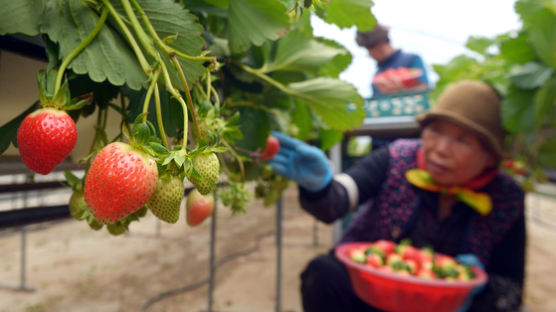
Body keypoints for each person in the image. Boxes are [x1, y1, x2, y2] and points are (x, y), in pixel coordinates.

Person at [269, 80, 525, 312]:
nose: (441, 149)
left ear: (490, 156)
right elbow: (339, 198)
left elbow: (511, 288)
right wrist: (320, 188)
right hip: (368, 296)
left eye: (463, 140)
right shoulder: (398, 157)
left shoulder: (506, 198)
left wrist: (483, 292)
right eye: (435, 130)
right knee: (323, 274)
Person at [356, 24, 429, 96]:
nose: (369, 55)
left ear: (379, 45)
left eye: (369, 50)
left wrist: (402, 90)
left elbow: (424, 88)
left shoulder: (412, 59)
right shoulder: (377, 78)